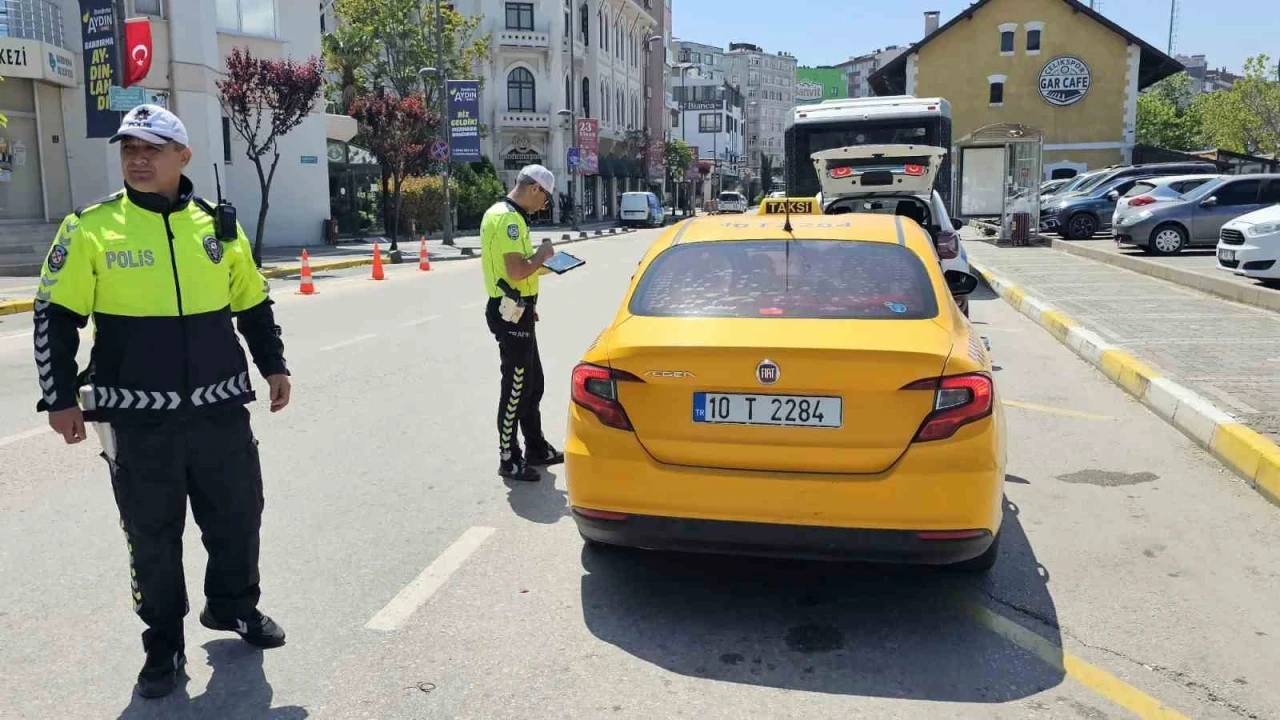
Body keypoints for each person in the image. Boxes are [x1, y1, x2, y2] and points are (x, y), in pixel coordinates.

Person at [32, 104, 292, 699]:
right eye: (129, 149)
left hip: (220, 406)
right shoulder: (90, 227)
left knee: (238, 515)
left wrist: (272, 364)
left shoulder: (217, 227)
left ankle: (233, 608)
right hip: (137, 416)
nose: (138, 159)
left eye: (152, 148)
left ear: (183, 157)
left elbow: (252, 302)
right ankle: (164, 643)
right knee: (151, 533)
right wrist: (59, 396)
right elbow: (55, 317)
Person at [480, 164, 565, 482]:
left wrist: (544, 266)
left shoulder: (508, 215)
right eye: (546, 198)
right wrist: (543, 255)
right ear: (534, 189)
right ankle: (509, 458)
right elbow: (517, 271)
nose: (545, 205)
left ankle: (536, 449)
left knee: (532, 383)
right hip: (509, 312)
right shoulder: (508, 220)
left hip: (520, 310)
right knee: (516, 389)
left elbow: (521, 269)